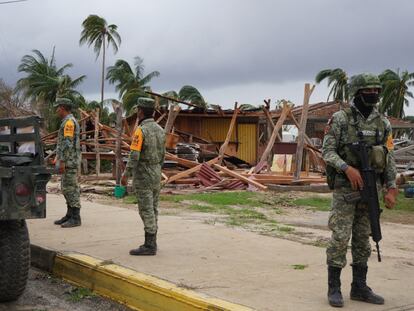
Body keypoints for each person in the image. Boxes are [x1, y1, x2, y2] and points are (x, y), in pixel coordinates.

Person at [322, 73, 398, 308]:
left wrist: (391, 186)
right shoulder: (340, 119)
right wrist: (346, 168)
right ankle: (334, 288)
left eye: (376, 90)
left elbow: (389, 156)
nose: (373, 94)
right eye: (368, 91)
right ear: (357, 92)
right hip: (346, 190)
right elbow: (327, 152)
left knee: (364, 240)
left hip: (371, 189)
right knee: (340, 237)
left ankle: (359, 287)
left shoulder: (382, 123)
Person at [121, 97, 165, 256]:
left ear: (140, 111)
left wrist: (126, 174)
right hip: (156, 173)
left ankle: (149, 245)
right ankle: (153, 241)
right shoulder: (160, 130)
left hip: (144, 175)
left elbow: (134, 155)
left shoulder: (141, 130)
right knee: (153, 209)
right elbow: (163, 155)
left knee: (146, 210)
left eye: (137, 110)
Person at [53, 98, 82, 228]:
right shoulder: (66, 121)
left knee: (71, 189)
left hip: (69, 161)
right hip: (67, 160)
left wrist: (63, 161)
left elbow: (67, 143)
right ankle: (70, 214)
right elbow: (62, 143)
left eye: (58, 107)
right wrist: (57, 157)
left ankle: (76, 217)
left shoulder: (69, 122)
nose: (57, 110)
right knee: (66, 188)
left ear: (63, 108)